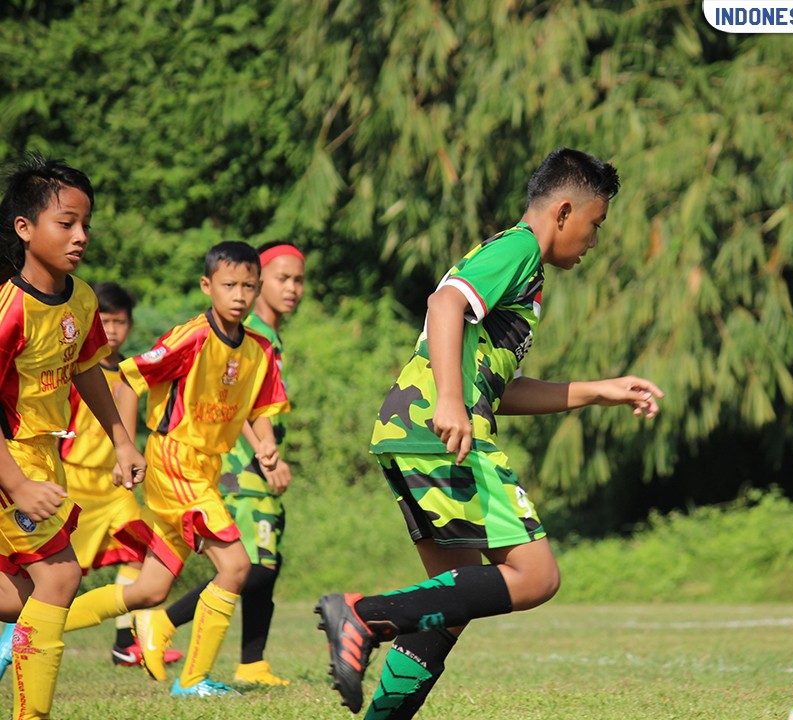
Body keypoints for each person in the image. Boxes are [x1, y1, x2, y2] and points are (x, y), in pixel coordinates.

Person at [315, 147, 664, 717]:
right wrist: (451, 400)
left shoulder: (519, 266)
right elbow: (445, 302)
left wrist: (601, 389)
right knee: (535, 576)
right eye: (595, 224)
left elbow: (505, 390)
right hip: (443, 431)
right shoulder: (521, 248)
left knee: (450, 601)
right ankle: (360, 614)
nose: (594, 239)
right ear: (564, 211)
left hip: (409, 430)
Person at [61, 240, 289, 698]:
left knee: (148, 589)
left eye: (249, 286)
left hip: (204, 469)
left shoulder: (259, 349)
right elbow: (128, 376)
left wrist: (267, 449)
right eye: (229, 285)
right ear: (208, 287)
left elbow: (259, 407)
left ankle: (37, 626)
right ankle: (194, 680)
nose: (240, 295)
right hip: (175, 460)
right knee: (236, 565)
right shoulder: (191, 337)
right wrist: (126, 448)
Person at [0, 154, 145, 718]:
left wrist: (122, 440)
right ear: (25, 228)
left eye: (86, 223)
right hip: (12, 459)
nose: (81, 235)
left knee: (36, 592)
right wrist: (15, 481)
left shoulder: (81, 299)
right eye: (66, 223)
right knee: (58, 579)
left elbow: (88, 370)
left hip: (41, 458)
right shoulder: (10, 310)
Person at [149, 241, 304, 687]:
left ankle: (252, 662)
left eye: (298, 280)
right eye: (281, 279)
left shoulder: (266, 337)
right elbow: (230, 405)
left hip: (251, 466)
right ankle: (166, 623)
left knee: (263, 564)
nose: (291, 288)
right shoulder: (241, 330)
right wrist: (262, 453)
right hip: (233, 469)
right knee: (247, 566)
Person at [59, 282, 182, 668]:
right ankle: (18, 642)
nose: (112, 329)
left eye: (120, 322)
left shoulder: (129, 370)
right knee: (54, 574)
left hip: (115, 486)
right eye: (105, 321)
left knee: (144, 552)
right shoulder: (79, 367)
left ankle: (126, 643)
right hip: (75, 482)